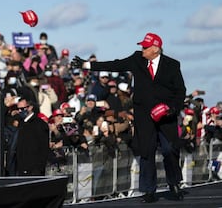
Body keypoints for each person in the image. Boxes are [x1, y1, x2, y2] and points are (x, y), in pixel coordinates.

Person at [72, 32, 186, 203]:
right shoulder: (137, 59)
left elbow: (180, 91)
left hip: (166, 115)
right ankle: (148, 190)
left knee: (170, 150)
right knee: (147, 151)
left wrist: (172, 109)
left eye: (146, 47)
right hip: (144, 115)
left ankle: (174, 182)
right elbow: (115, 65)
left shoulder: (172, 65)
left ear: (156, 49)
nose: (142, 49)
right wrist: (87, 65)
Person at [15, 97, 49, 176]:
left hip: (34, 169)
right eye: (18, 109)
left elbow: (44, 147)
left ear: (30, 107)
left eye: (22, 109)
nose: (20, 111)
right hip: (21, 168)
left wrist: (39, 168)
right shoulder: (21, 123)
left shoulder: (40, 124)